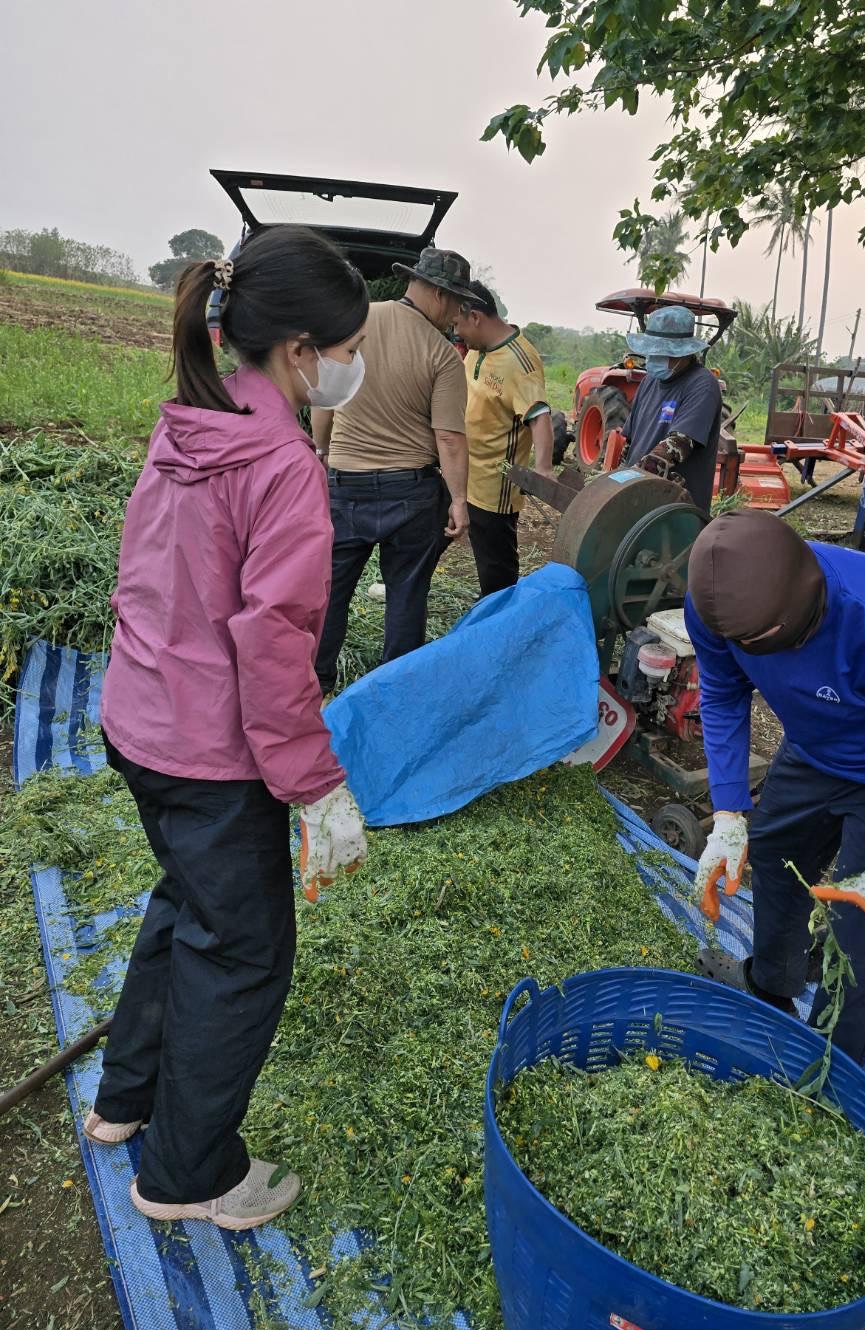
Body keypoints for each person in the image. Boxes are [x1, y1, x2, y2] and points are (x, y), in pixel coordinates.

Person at [83, 227, 371, 1230]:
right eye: (345, 346)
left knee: (186, 902)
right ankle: (186, 1175)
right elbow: (274, 643)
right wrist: (315, 785)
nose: (348, 366)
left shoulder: (188, 423)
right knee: (242, 951)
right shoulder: (284, 464)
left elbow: (148, 579)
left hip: (137, 719)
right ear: (301, 351)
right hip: (211, 755)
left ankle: (124, 1101)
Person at [685, 510, 865, 1066]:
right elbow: (723, 694)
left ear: (800, 612)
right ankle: (771, 987)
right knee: (772, 855)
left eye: (754, 640)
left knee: (864, 932)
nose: (741, 647)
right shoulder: (716, 609)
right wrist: (727, 812)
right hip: (813, 750)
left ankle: (829, 1070)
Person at [313, 248, 477, 687]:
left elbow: (323, 403)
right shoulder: (442, 355)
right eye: (458, 304)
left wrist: (323, 456)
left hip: (345, 486)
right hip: (412, 493)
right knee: (407, 594)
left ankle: (316, 683)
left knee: (330, 593)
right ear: (440, 295)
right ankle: (393, 689)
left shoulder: (355, 322)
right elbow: (448, 437)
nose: (457, 315)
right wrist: (459, 500)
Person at [453, 280, 555, 596]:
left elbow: (539, 417)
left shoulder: (520, 361)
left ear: (475, 317)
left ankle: (502, 626)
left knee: (495, 572)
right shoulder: (475, 351)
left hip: (493, 489)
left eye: (458, 324)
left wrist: (543, 469)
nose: (457, 332)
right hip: (460, 473)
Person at [622, 305, 723, 513]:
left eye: (661, 352)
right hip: (637, 499)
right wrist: (615, 477)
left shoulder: (702, 385)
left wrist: (628, 482)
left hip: (674, 510)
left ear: (684, 352)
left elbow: (677, 445)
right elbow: (630, 443)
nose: (653, 358)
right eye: (652, 351)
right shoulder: (650, 380)